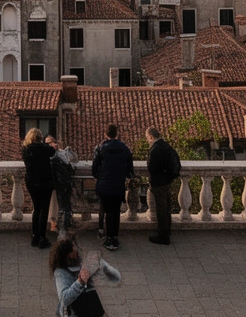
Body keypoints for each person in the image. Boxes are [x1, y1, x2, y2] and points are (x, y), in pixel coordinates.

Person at [49, 238, 122, 317]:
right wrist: (80, 282)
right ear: (65, 256)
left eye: (75, 250)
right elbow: (64, 299)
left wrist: (101, 263)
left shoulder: (82, 262)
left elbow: (116, 278)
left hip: (94, 308)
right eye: (73, 252)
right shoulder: (61, 272)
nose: (76, 252)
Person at [90, 123, 134, 252]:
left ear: (105, 134)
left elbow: (94, 169)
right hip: (118, 184)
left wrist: (101, 176)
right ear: (117, 134)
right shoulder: (125, 149)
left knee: (108, 211)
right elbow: (130, 170)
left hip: (104, 185)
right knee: (116, 211)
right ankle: (115, 236)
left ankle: (109, 239)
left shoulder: (100, 148)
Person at [144, 126, 180, 245]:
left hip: (159, 183)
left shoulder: (155, 149)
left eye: (147, 138)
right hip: (167, 181)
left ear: (151, 136)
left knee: (161, 209)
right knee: (166, 207)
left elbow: (151, 168)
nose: (147, 140)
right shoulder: (166, 146)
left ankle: (163, 236)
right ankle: (167, 231)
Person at [21, 128, 57, 249]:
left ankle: (35, 236)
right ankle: (42, 237)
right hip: (44, 181)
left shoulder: (25, 150)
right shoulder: (43, 148)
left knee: (36, 209)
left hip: (31, 181)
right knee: (44, 209)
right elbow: (52, 151)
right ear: (39, 138)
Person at [49, 138, 78, 240]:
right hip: (59, 185)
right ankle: (62, 229)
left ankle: (64, 229)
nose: (53, 144)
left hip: (63, 184)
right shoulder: (53, 156)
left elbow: (74, 162)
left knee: (64, 207)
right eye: (49, 143)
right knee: (62, 207)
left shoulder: (62, 154)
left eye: (54, 142)